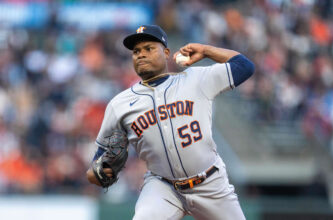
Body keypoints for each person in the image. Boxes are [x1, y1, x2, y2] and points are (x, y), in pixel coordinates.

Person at [86, 24, 254, 220]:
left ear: (166, 52)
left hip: (210, 184)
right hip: (162, 188)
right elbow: (97, 165)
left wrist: (206, 50)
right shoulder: (119, 104)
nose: (140, 54)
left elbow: (244, 66)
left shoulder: (196, 79)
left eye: (148, 48)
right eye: (136, 51)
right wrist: (99, 173)